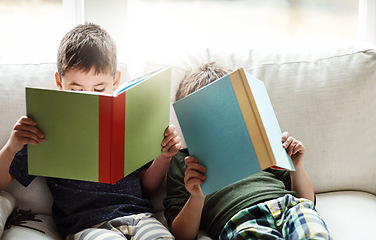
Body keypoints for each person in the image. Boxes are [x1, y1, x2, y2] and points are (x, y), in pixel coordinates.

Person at [0, 23, 181, 240]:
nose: (89, 99)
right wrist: (12, 146)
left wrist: (163, 157)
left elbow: (148, 188)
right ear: (59, 82)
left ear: (115, 81)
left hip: (140, 217)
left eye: (98, 89)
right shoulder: (46, 128)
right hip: (88, 227)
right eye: (76, 90)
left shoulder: (127, 120)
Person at [163, 62, 331, 240]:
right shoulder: (183, 161)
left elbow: (307, 200)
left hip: (291, 206)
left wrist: (296, 166)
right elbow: (182, 235)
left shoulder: (257, 141)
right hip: (241, 220)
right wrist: (197, 197)